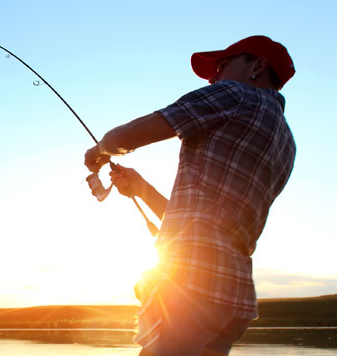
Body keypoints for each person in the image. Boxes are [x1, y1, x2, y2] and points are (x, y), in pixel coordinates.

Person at [83, 36, 296, 356]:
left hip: (190, 283)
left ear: (258, 66)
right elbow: (208, 222)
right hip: (233, 294)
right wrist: (142, 189)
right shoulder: (287, 142)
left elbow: (124, 138)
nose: (214, 77)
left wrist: (99, 151)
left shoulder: (234, 94)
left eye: (223, 65)